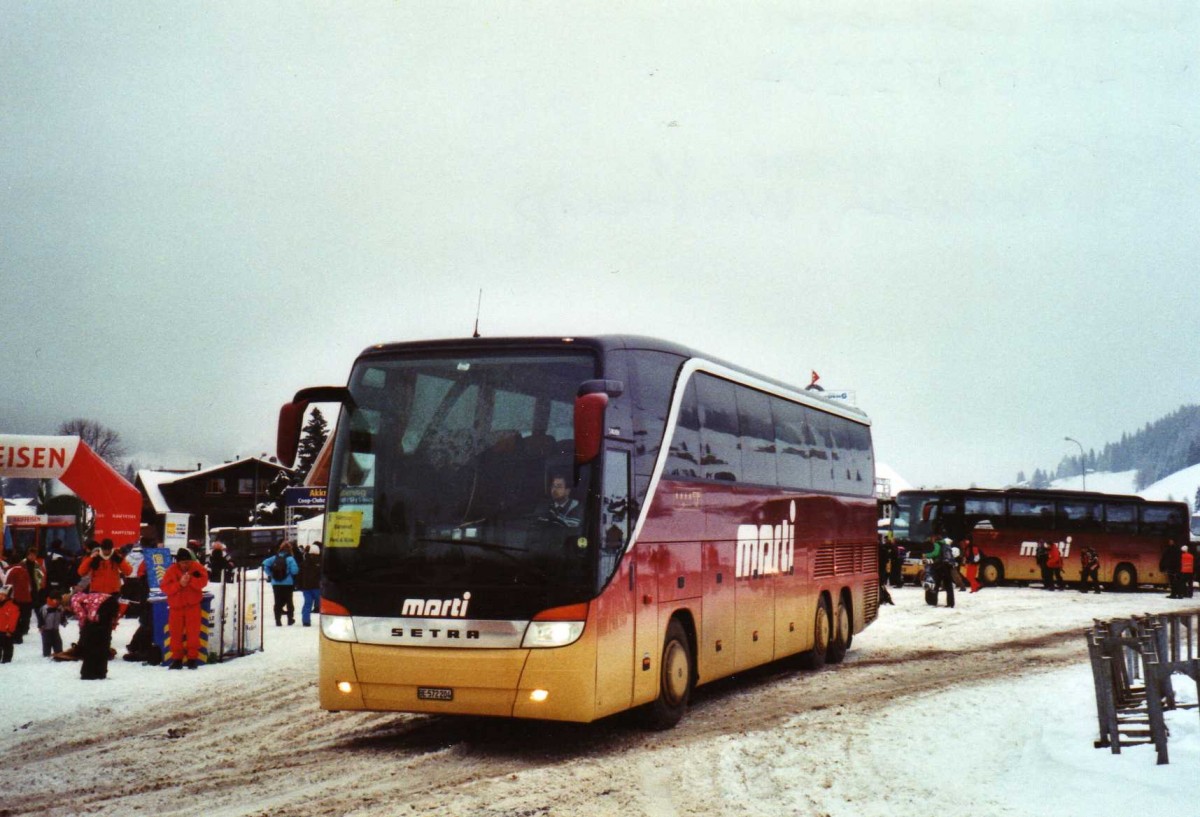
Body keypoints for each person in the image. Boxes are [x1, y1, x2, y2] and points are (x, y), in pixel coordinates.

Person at [160, 547, 209, 669]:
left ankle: (192, 658)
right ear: (178, 562)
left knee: (194, 634)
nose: (185, 565)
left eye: (187, 562)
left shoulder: (198, 568)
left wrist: (190, 580)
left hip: (192, 607)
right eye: (183, 563)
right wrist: (179, 585)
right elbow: (165, 588)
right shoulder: (171, 571)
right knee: (175, 634)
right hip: (176, 607)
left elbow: (203, 582)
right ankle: (177, 659)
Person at [71, 591, 121, 680]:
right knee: (104, 642)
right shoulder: (85, 596)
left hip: (101, 610)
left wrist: (83, 633)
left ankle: (88, 673)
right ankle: (101, 672)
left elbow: (82, 617)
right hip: (111, 603)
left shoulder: (74, 600)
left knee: (92, 643)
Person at [263, 543, 299, 626]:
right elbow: (295, 571)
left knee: (277, 601)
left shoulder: (274, 557)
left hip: (276, 583)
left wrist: (271, 574)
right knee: (289, 601)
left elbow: (264, 564)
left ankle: (278, 620)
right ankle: (290, 619)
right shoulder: (290, 559)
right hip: (288, 583)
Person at [297, 542, 322, 626]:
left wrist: (300, 586)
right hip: (317, 587)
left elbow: (299, 575)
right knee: (322, 604)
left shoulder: (304, 562)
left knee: (307, 603)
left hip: (306, 587)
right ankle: (325, 621)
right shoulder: (321, 562)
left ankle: (306, 621)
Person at [38, 593, 67, 658]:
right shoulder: (45, 608)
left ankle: (59, 653)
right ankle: (46, 655)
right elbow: (41, 618)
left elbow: (62, 616)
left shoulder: (60, 608)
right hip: (46, 630)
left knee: (58, 643)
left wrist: (63, 622)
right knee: (47, 644)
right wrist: (41, 626)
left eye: (59, 600)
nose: (58, 602)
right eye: (57, 600)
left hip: (55, 630)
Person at [0, 585, 17, 663]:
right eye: (0, 594)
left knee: (7, 647)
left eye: (3, 595)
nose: (1, 596)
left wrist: (10, 630)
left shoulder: (12, 607)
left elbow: (13, 620)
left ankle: (7, 661)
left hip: (6, 632)